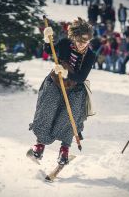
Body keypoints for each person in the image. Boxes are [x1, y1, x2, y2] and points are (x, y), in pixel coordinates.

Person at [28, 18, 95, 165]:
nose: (83, 44)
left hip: (75, 87)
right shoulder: (65, 43)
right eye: (80, 41)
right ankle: (40, 145)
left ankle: (64, 149)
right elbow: (48, 50)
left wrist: (67, 73)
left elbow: (81, 77)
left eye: (86, 42)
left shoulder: (90, 56)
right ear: (74, 37)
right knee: (47, 110)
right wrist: (47, 39)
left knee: (69, 116)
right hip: (56, 82)